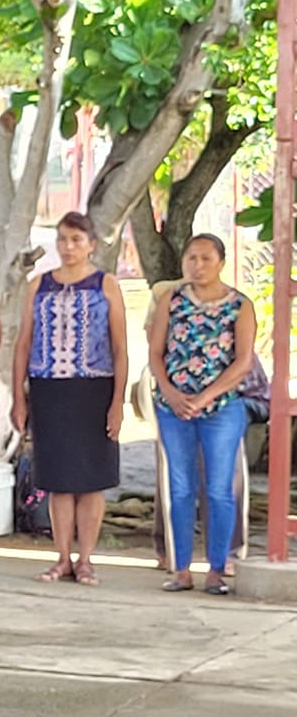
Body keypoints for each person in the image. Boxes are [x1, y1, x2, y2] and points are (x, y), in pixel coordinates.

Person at [13, 212, 128, 586]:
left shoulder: (106, 284)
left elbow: (120, 347)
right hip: (50, 389)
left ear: (91, 244)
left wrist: (117, 402)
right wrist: (19, 395)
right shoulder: (39, 285)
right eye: (62, 239)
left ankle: (86, 558)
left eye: (77, 240)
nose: (68, 247)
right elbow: (24, 342)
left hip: (94, 389)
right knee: (58, 478)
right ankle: (62, 557)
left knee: (91, 479)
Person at [149, 234, 256, 595]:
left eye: (206, 258)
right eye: (192, 258)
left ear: (221, 262)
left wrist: (205, 396)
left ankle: (216, 568)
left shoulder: (239, 305)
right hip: (173, 407)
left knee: (219, 489)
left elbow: (242, 363)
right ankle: (181, 569)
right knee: (179, 488)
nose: (198, 265)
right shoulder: (172, 301)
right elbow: (155, 353)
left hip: (222, 408)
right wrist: (170, 391)